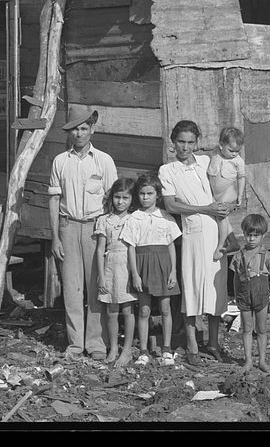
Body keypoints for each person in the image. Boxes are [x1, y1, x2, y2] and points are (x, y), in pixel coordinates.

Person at [158, 120, 231, 366]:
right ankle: (192, 345)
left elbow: (222, 187)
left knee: (215, 289)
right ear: (173, 142)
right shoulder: (168, 170)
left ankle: (213, 342)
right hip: (192, 232)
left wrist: (223, 207)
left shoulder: (206, 162)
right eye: (181, 142)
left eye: (190, 142)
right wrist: (205, 208)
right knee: (191, 289)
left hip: (215, 231)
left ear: (197, 142)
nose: (185, 147)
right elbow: (171, 205)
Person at [48, 106, 118, 360]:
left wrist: (109, 233)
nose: (79, 133)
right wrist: (55, 237)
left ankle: (96, 343)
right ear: (70, 132)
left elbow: (113, 199)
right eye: (75, 129)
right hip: (68, 226)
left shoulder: (103, 160)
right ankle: (76, 344)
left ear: (92, 129)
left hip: (95, 227)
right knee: (72, 287)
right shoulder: (60, 161)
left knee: (96, 285)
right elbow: (55, 201)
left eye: (84, 128)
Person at [121, 172, 182, 366]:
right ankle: (144, 351)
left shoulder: (166, 217)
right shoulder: (133, 218)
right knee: (144, 310)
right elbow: (131, 248)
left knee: (165, 309)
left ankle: (166, 349)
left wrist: (173, 271)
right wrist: (135, 274)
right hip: (142, 265)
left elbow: (171, 245)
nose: (145, 197)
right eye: (142, 194)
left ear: (158, 195)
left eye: (149, 193)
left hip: (163, 265)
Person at [93, 177, 138, 367]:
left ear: (131, 200)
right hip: (110, 264)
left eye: (125, 198)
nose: (121, 202)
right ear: (112, 198)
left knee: (127, 309)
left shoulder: (134, 219)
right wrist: (101, 276)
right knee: (111, 311)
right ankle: (113, 347)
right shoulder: (105, 220)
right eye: (117, 197)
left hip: (128, 264)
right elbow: (99, 249)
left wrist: (136, 274)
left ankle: (126, 349)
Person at [230, 213, 270, 373]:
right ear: (244, 234)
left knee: (262, 329)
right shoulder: (238, 256)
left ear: (262, 236)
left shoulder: (267, 256)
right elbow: (236, 279)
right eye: (248, 235)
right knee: (246, 329)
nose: (251, 239)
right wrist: (236, 296)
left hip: (261, 297)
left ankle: (262, 361)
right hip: (244, 297)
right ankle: (248, 361)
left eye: (255, 236)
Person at [208, 126, 247, 261]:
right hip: (216, 194)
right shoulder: (215, 154)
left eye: (237, 151)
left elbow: (241, 178)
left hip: (229, 193)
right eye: (231, 150)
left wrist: (240, 196)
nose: (234, 154)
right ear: (220, 145)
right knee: (224, 219)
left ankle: (220, 246)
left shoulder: (238, 161)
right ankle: (233, 242)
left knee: (221, 216)